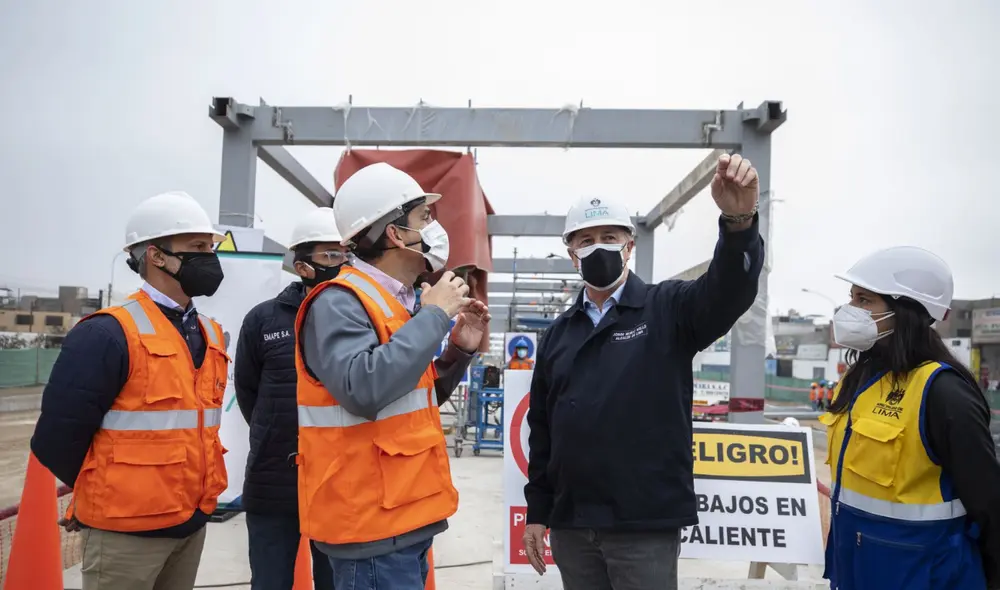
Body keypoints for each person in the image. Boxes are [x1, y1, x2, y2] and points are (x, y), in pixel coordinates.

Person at [522, 153, 765, 590]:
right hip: (573, 525)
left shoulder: (668, 309)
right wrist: (538, 512)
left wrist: (739, 222)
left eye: (609, 236)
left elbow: (729, 290)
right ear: (571, 253)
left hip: (643, 525)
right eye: (586, 239)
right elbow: (542, 431)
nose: (598, 246)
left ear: (629, 245)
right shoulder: (557, 336)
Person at [295, 162, 490, 589]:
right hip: (370, 525)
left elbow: (412, 397)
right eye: (424, 218)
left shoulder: (395, 302)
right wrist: (435, 314)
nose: (435, 228)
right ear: (395, 234)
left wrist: (459, 349)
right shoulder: (340, 302)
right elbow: (362, 388)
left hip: (403, 515)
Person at [30, 191, 230, 590]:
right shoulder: (107, 333)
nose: (209, 257)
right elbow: (56, 438)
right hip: (125, 534)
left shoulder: (209, 332)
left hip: (190, 522)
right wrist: (117, 492)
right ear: (156, 256)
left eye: (210, 247)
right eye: (197, 247)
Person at [820, 246, 1000, 590]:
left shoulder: (942, 392)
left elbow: (989, 504)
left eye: (864, 300)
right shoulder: (856, 380)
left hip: (924, 575)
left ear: (905, 310)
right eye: (852, 298)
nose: (850, 310)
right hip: (856, 571)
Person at [234, 207, 345, 590]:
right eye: (330, 256)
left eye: (346, 254)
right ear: (302, 266)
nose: (341, 264)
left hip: (340, 484)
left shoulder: (362, 319)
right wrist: (277, 432)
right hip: (274, 481)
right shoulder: (263, 321)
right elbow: (249, 393)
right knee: (270, 581)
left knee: (337, 583)